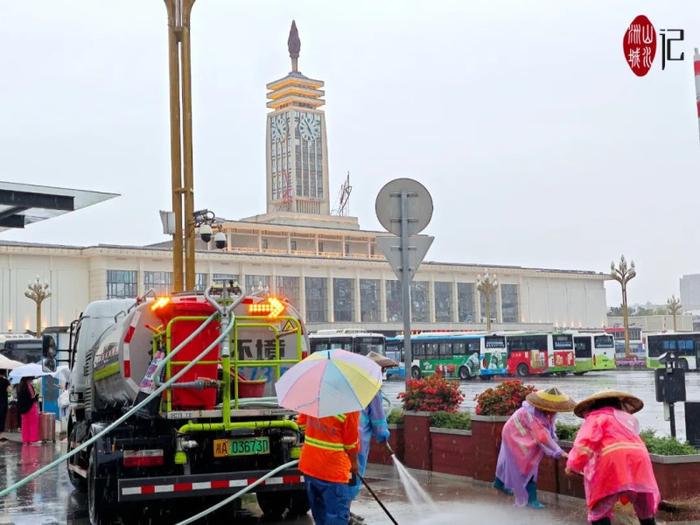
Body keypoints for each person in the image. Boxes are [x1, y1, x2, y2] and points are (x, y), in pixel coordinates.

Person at [565, 390, 660, 525]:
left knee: (600, 509)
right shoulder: (628, 419)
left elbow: (585, 445)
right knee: (644, 508)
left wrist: (573, 465)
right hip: (640, 461)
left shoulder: (596, 417)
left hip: (612, 464)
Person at [494, 387, 576, 508]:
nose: (553, 412)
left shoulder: (546, 413)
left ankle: (499, 483)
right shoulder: (530, 414)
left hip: (522, 432)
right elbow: (543, 437)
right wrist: (559, 451)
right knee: (528, 464)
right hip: (514, 434)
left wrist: (555, 448)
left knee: (512, 460)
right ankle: (531, 499)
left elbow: (549, 432)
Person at [348, 352, 395, 524]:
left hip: (346, 437)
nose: (382, 373)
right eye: (381, 370)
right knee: (355, 475)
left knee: (346, 476)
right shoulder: (372, 389)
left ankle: (345, 510)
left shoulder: (352, 385)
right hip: (359, 439)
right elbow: (378, 419)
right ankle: (345, 513)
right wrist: (383, 437)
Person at [297, 410, 360, 525]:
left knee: (320, 516)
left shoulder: (315, 400)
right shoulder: (349, 408)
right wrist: (354, 462)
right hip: (333, 472)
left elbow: (301, 423)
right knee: (336, 517)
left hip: (310, 467)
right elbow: (351, 443)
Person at [17, 376, 40, 444]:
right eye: (31, 379)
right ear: (28, 379)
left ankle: (25, 440)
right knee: (33, 424)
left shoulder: (19, 387)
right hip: (30, 408)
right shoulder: (29, 386)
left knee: (24, 425)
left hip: (22, 409)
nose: (32, 380)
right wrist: (35, 398)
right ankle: (32, 439)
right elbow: (31, 398)